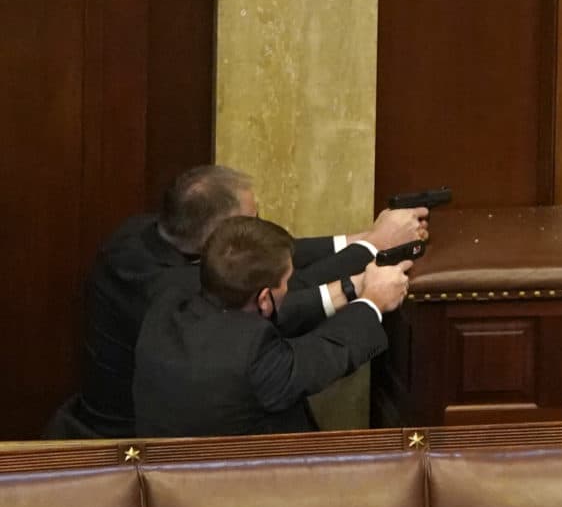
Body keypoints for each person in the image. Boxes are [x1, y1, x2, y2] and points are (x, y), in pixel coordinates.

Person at [49, 164, 427, 439]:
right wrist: (372, 297)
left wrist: (361, 249)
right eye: (253, 217)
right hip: (142, 449)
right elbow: (324, 350)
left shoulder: (143, 246)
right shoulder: (181, 301)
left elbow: (266, 269)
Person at [132, 215, 410, 438]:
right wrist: (374, 301)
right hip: (248, 493)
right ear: (264, 298)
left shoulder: (166, 306)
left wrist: (352, 288)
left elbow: (269, 315)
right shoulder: (253, 356)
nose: (291, 288)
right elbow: (327, 353)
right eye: (287, 282)